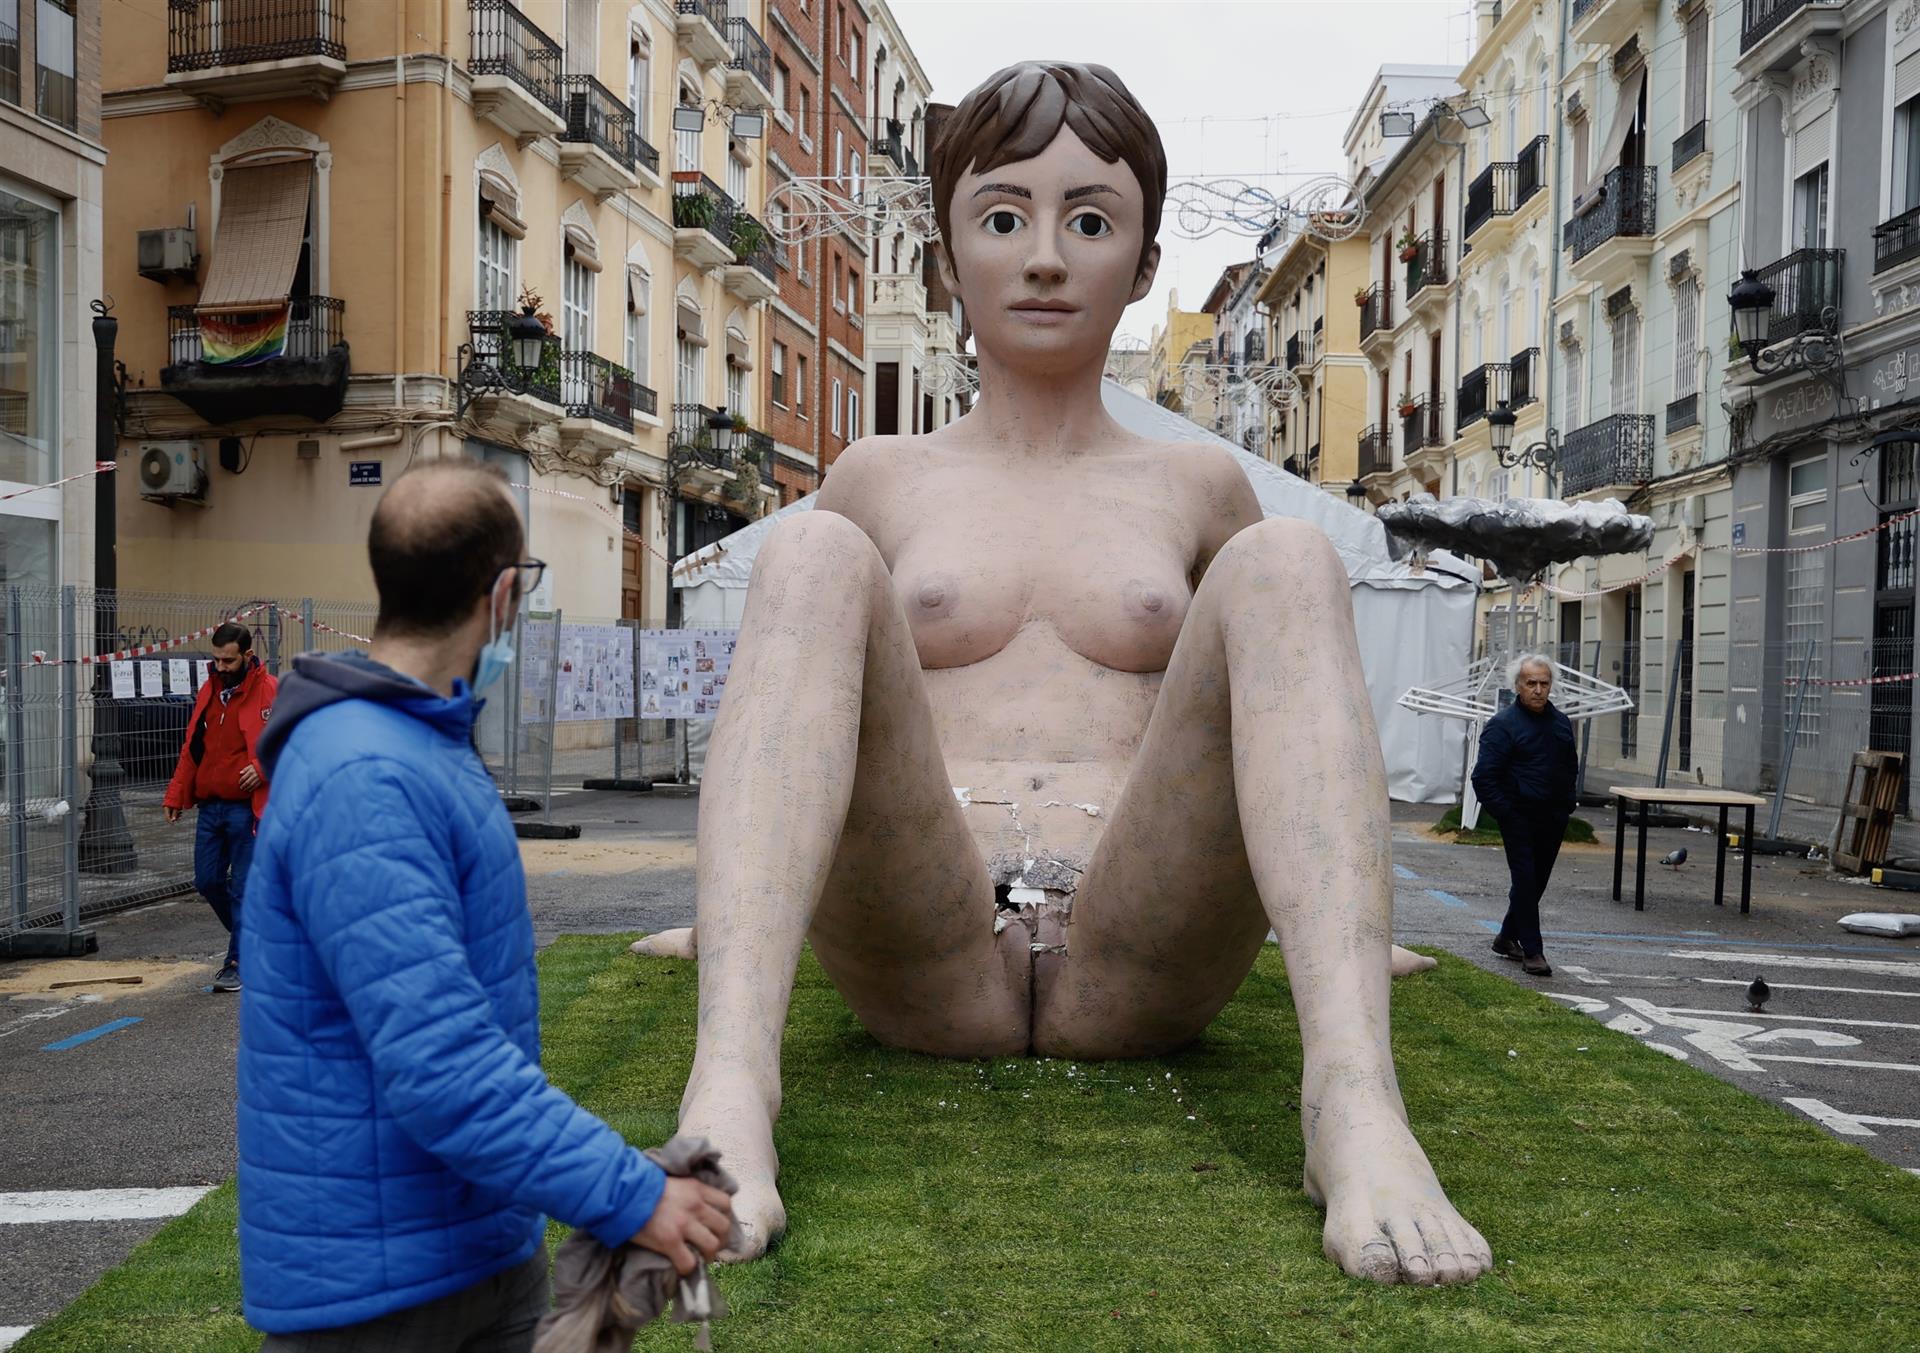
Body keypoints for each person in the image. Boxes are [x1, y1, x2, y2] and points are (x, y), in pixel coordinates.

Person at [634, 61, 1490, 1287]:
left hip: (1137, 952)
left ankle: (1353, 1104)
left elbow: (1267, 718)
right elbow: (796, 711)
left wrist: (1349, 930)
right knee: (812, 548)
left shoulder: (1197, 487)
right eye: (1002, 217)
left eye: (1089, 220)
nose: (1044, 256)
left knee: (1288, 561)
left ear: (1142, 263)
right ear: (948, 255)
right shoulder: (881, 475)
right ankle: (730, 1083)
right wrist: (735, 920)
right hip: (922, 949)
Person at [237, 461, 732, 1348]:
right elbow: (442, 1062)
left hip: (469, 1261)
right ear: (505, 593)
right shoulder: (366, 772)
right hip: (381, 1299)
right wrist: (633, 1194)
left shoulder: (417, 742)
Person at [164, 621, 276, 993]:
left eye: (228, 661)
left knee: (244, 888)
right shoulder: (210, 690)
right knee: (208, 881)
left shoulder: (271, 691)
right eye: (216, 660)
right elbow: (193, 745)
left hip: (249, 809)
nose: (221, 668)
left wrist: (261, 768)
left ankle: (237, 961)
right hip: (211, 806)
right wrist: (176, 793)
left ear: (247, 656)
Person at [1470, 654, 1578, 978]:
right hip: (1519, 816)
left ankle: (1506, 937)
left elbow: (1569, 766)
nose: (1538, 689)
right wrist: (1508, 813)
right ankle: (1533, 950)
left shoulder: (1560, 722)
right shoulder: (1502, 725)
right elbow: (1483, 778)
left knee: (1536, 882)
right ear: (1518, 685)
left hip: (1553, 817)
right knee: (1526, 879)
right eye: (1531, 683)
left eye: (1544, 683)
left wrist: (1567, 804)